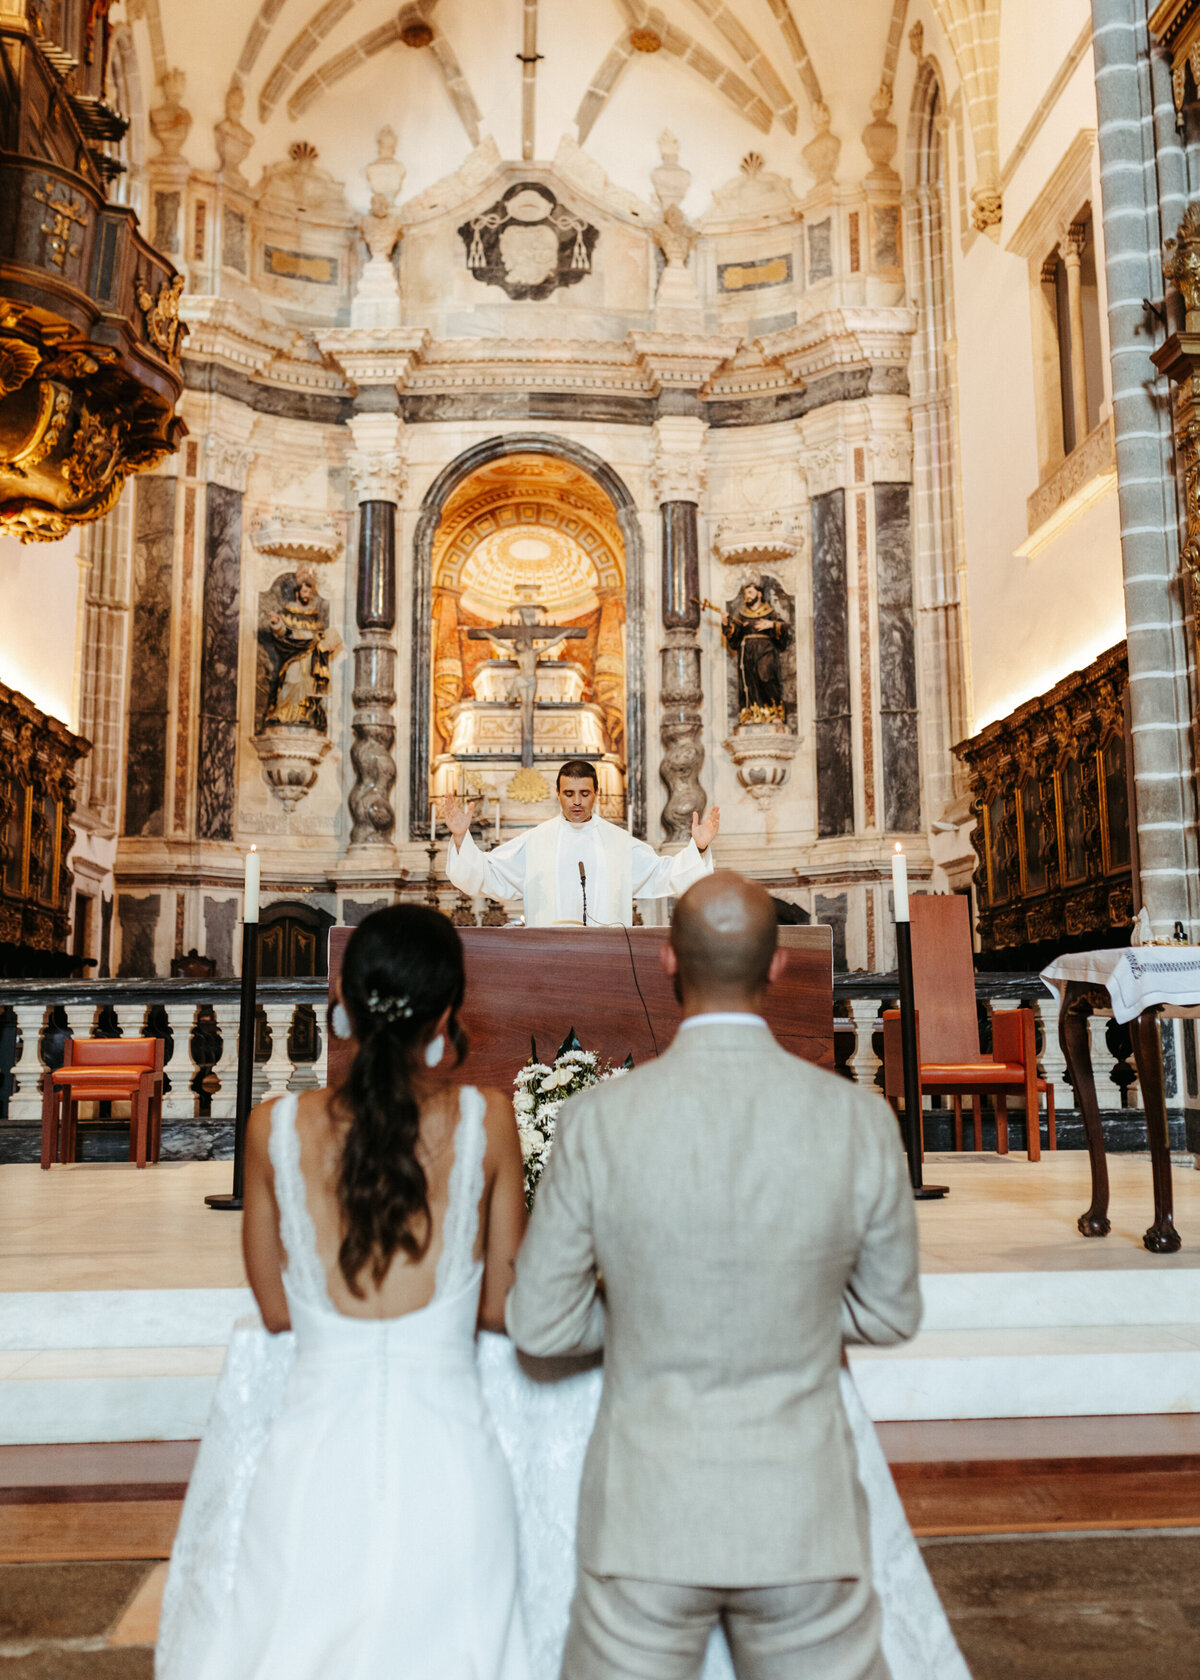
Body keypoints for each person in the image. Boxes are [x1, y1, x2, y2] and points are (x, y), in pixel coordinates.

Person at [507, 871, 923, 1680]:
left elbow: (540, 1326)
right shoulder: (860, 1118)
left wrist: (643, 1315)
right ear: (776, 967)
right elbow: (892, 1311)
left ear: (666, 960)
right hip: (803, 1519)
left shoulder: (598, 1118)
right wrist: (790, 1313)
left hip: (647, 1519)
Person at [173, 905, 530, 1680]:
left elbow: (276, 1309)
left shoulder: (273, 1126)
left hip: (311, 1461)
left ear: (343, 997)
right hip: (450, 1460)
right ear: (447, 1012)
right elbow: (503, 1309)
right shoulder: (488, 1119)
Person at [443, 757, 720, 927]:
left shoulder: (619, 842)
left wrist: (699, 847)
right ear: (558, 794)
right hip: (548, 957)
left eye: (584, 793)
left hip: (605, 958)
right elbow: (488, 874)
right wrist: (459, 837)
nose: (577, 801)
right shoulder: (536, 841)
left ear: (596, 793)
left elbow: (663, 874)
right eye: (569, 793)